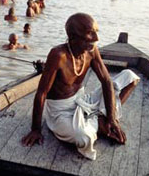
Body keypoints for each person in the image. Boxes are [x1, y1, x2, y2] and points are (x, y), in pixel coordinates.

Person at [22, 13, 140, 160]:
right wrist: (35, 129)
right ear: (73, 37)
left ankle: (103, 120)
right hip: (62, 112)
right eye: (90, 34)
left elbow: (106, 81)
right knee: (83, 137)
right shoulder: (58, 55)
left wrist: (112, 118)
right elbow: (41, 93)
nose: (96, 39)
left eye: (96, 32)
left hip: (84, 101)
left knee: (130, 77)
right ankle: (99, 122)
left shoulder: (91, 50)